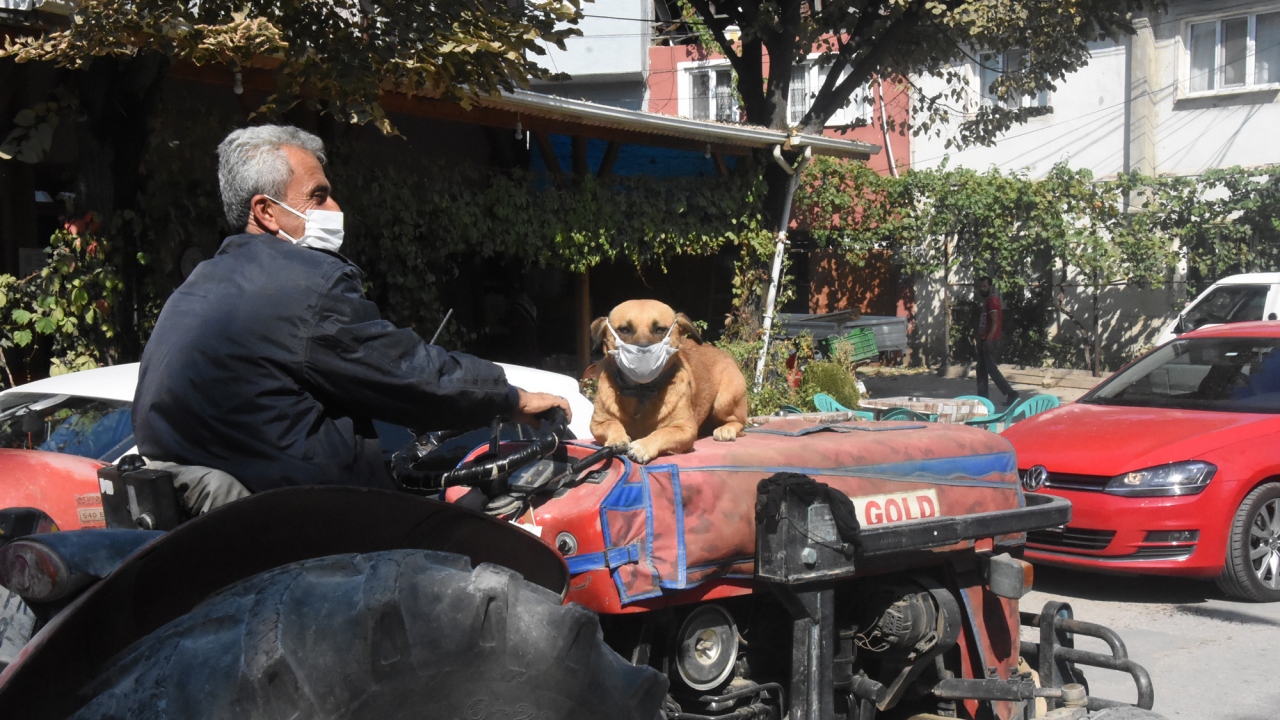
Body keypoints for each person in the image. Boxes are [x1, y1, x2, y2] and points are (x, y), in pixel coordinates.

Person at [133, 125, 570, 504]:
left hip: (222, 525)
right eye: (318, 197)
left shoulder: (200, 285)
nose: (335, 210)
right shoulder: (302, 284)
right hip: (303, 532)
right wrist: (511, 398)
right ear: (266, 211)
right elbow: (408, 373)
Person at [975, 276, 1019, 406]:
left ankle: (1011, 393)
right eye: (980, 287)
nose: (982, 289)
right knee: (981, 369)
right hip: (985, 339)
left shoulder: (992, 301)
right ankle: (982, 400)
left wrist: (989, 339)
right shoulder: (987, 301)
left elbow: (995, 322)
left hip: (990, 339)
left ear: (990, 287)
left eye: (984, 286)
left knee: (991, 369)